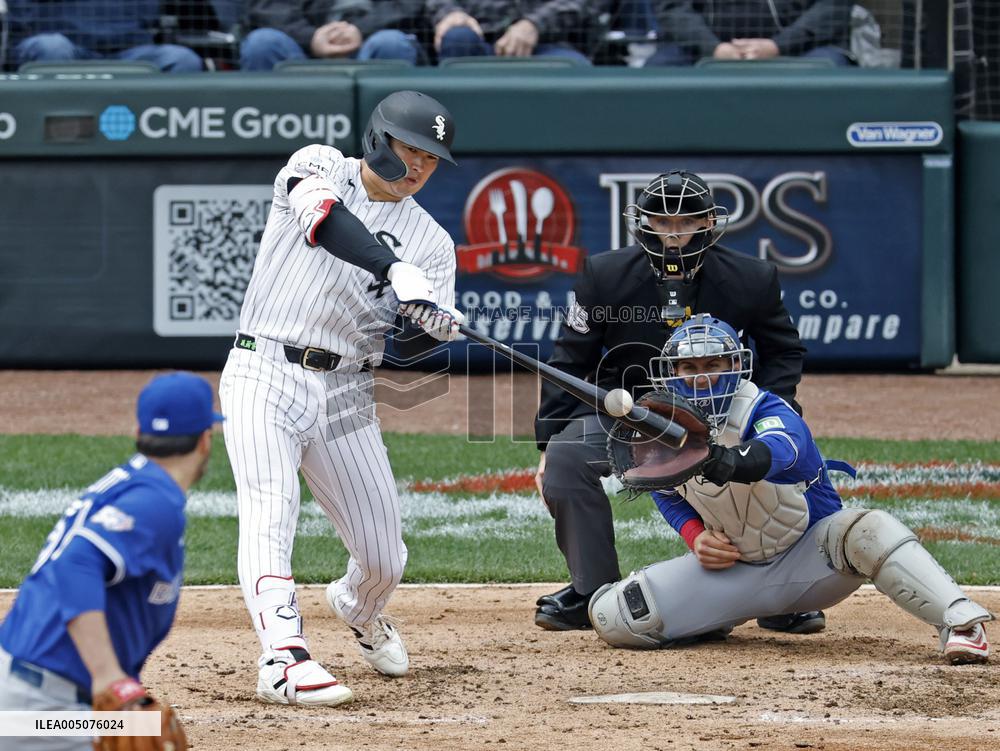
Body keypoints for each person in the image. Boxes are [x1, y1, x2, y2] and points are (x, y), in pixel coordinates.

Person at [219, 90, 464, 706]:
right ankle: (283, 657)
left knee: (384, 557)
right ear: (379, 139)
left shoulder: (433, 244)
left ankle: (359, 606)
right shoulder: (320, 163)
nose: (418, 168)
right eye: (410, 150)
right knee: (271, 510)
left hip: (347, 390)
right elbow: (325, 220)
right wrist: (391, 268)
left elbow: (406, 351)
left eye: (431, 159)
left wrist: (427, 321)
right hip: (263, 368)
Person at [589, 315, 993, 665]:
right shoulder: (666, 423)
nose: (699, 376)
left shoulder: (767, 410)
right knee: (615, 617)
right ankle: (714, 618)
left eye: (712, 363)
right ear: (671, 372)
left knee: (869, 528)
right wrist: (695, 537)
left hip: (814, 561)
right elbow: (665, 491)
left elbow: (781, 451)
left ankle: (960, 621)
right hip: (734, 572)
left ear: (735, 366)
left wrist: (721, 459)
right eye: (687, 366)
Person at [533, 169, 821, 635]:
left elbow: (785, 351)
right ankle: (593, 591)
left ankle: (781, 593)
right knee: (567, 458)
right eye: (661, 223)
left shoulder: (751, 278)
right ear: (642, 223)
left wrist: (770, 411)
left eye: (684, 222)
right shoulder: (603, 275)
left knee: (769, 463)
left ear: (709, 222)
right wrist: (547, 444)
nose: (673, 235)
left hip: (722, 414)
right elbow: (569, 359)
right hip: (631, 413)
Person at [0, 372, 222, 749]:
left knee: (150, 732)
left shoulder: (137, 484)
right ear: (205, 440)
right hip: (43, 709)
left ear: (139, 431)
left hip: (34, 690)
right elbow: (74, 565)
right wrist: (108, 678)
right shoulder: (154, 502)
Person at [6, 1, 203, 72]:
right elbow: (19, 19)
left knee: (183, 59)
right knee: (51, 46)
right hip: (69, 51)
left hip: (129, 53)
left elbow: (150, 17)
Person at [647, 0, 851, 67]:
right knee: (658, 70)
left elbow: (833, 6)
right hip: (701, 51)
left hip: (800, 50)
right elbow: (673, 9)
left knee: (829, 67)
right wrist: (713, 48)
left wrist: (778, 46)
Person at [240, 0, 430, 70]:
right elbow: (268, 7)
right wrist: (312, 38)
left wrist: (360, 31)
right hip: (305, 50)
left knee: (391, 44)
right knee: (262, 43)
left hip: (372, 42)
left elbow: (408, 5)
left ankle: (388, 153)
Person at [427, 0, 591, 63]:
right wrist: (450, 13)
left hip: (546, 46)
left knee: (575, 67)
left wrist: (534, 24)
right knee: (457, 37)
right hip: (478, 41)